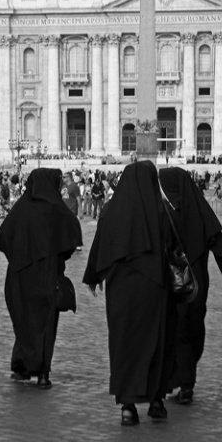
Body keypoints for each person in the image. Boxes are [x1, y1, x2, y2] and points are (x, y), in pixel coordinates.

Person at [83, 161, 178, 426]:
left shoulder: (112, 209)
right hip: (154, 288)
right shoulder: (160, 209)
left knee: (124, 343)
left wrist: (93, 277)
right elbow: (172, 245)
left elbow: (100, 243)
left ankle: (127, 405)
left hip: (121, 291)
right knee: (156, 342)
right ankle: (156, 400)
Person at [0, 169, 82, 389]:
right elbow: (72, 236)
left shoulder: (21, 209)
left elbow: (4, 238)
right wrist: (56, 257)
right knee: (45, 323)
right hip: (48, 274)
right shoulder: (56, 209)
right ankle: (43, 373)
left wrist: (20, 257)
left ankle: (22, 367)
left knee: (23, 321)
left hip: (19, 276)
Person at [159, 168, 222, 405]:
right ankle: (186, 382)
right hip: (197, 284)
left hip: (174, 282)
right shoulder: (201, 212)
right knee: (192, 329)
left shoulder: (165, 213)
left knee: (176, 331)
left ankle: (178, 380)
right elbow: (220, 249)